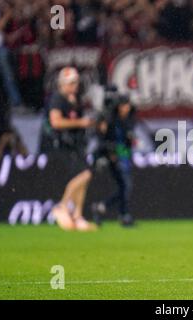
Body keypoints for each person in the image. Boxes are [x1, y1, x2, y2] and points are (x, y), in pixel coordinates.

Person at [41, 67, 96, 231]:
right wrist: (81, 123)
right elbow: (56, 122)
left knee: (83, 179)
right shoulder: (58, 98)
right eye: (71, 83)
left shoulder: (75, 99)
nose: (74, 85)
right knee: (85, 174)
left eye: (75, 82)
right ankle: (62, 206)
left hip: (75, 143)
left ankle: (77, 216)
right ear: (62, 84)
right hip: (63, 145)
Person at [92, 94, 136, 227]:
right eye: (123, 105)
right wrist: (109, 153)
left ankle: (104, 208)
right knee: (125, 185)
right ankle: (122, 214)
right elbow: (102, 139)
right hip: (113, 156)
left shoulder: (128, 120)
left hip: (124, 155)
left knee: (125, 187)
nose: (126, 108)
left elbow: (127, 140)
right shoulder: (110, 120)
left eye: (127, 105)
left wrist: (130, 140)